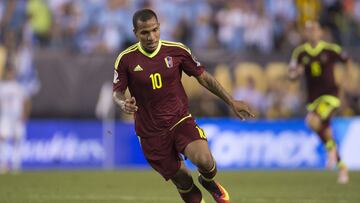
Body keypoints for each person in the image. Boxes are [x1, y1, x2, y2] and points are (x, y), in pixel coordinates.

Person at [113, 9, 254, 203]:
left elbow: (203, 77)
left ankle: (208, 181)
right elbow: (117, 92)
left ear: (159, 27)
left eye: (154, 30)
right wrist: (123, 103)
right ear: (135, 33)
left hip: (179, 120)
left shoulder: (177, 50)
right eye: (144, 32)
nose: (151, 36)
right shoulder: (126, 59)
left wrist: (231, 101)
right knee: (184, 182)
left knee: (205, 161)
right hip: (150, 132)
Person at [289, 21, 351, 184]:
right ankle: (341, 165)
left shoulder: (329, 49)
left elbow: (347, 61)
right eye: (308, 30)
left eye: (314, 30)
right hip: (313, 99)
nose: (311, 33)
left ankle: (330, 150)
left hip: (331, 95)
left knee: (313, 120)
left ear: (320, 32)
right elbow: (292, 75)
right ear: (305, 33)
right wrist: (296, 73)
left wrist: (344, 83)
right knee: (320, 127)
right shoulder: (300, 53)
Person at [0, 67, 29, 174]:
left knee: (17, 139)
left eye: (12, 73)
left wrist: (25, 114)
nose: (10, 75)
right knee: (2, 138)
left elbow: (26, 101)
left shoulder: (19, 87)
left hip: (16, 118)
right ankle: (3, 164)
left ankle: (16, 165)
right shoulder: (2, 87)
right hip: (5, 117)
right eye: (9, 73)